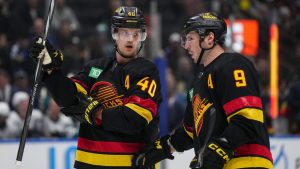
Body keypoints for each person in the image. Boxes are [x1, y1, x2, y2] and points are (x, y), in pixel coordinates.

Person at [133, 12, 273, 169]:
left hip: (247, 162)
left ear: (209, 38)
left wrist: (218, 150)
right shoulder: (197, 84)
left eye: (190, 38)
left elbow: (247, 119)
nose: (186, 45)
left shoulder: (232, 64)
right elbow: (188, 133)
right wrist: (161, 149)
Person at [29, 6, 162, 169]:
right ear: (115, 34)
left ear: (142, 37)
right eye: (124, 33)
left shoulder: (146, 71)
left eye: (136, 34)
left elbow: (133, 119)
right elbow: (67, 99)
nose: (130, 39)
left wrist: (94, 112)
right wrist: (52, 71)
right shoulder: (95, 68)